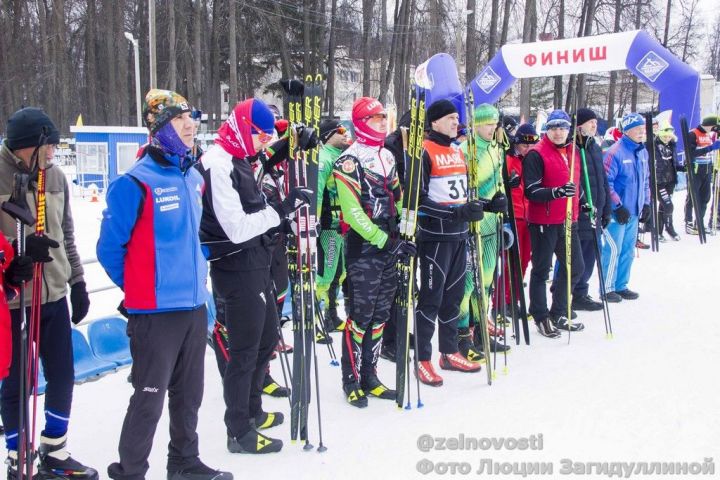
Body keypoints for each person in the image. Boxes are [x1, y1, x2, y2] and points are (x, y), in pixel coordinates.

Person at [98, 89, 232, 480]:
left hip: (193, 308)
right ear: (158, 128)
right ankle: (130, 471)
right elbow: (109, 249)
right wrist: (140, 287)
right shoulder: (135, 182)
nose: (190, 126)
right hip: (155, 314)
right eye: (179, 119)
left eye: (191, 118)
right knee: (149, 400)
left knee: (189, 396)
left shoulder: (192, 177)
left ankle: (184, 463)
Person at [198, 98, 312, 453]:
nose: (264, 143)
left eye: (266, 137)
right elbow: (235, 227)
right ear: (243, 129)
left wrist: (283, 220)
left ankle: (253, 410)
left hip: (257, 259)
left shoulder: (240, 158)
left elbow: (257, 205)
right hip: (235, 264)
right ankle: (238, 430)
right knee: (244, 351)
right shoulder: (218, 165)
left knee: (266, 341)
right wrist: (281, 210)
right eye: (260, 136)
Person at [0, 107, 95, 479]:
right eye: (49, 147)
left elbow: (66, 234)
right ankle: (16, 455)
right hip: (13, 299)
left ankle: (54, 448)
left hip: (52, 292)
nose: (54, 154)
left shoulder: (55, 177)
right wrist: (15, 257)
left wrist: (78, 282)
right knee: (16, 381)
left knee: (62, 374)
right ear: (27, 147)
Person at [333, 97, 413, 408]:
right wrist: (386, 240)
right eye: (375, 117)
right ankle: (350, 379)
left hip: (389, 244)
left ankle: (370, 374)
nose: (382, 122)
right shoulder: (348, 161)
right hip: (364, 247)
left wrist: (408, 228)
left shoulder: (387, 157)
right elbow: (353, 214)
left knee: (381, 315)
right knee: (361, 316)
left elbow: (399, 197)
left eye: (384, 117)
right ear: (361, 122)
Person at [413, 100, 484, 387]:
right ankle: (422, 358)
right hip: (436, 237)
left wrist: (486, 205)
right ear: (435, 122)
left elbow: (461, 194)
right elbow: (418, 201)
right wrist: (455, 213)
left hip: (459, 235)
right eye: (451, 118)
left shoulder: (457, 150)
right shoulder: (423, 151)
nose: (457, 123)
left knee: (454, 298)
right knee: (431, 299)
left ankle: (449, 351)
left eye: (457, 118)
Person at [522, 109, 585, 338]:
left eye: (562, 128)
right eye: (553, 128)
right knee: (541, 269)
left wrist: (583, 200)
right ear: (547, 130)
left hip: (569, 220)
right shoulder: (536, 154)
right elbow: (531, 191)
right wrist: (557, 192)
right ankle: (540, 316)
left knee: (575, 267)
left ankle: (558, 311)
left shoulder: (573, 152)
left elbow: (577, 184)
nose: (558, 133)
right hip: (543, 221)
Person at [458, 104, 510, 358]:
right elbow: (461, 191)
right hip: (472, 226)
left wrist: (502, 202)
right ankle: (462, 338)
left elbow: (498, 182)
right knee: (468, 285)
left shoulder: (495, 149)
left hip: (491, 225)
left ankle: (481, 332)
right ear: (476, 124)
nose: (493, 127)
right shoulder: (465, 150)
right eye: (488, 123)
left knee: (486, 282)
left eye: (495, 123)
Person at [601, 113, 650, 303]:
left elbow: (645, 181)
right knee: (613, 249)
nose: (641, 132)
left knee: (628, 250)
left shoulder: (642, 152)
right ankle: (607, 287)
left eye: (642, 129)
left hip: (634, 211)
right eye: (637, 129)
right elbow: (607, 183)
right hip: (618, 213)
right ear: (627, 131)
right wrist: (617, 206)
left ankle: (621, 285)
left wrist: (645, 203)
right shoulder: (615, 152)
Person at [570, 108, 612, 311]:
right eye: (590, 122)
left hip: (597, 209)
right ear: (579, 126)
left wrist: (606, 208)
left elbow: (603, 179)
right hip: (581, 212)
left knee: (590, 255)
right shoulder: (572, 149)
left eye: (595, 122)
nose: (594, 125)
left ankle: (581, 292)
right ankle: (568, 292)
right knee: (576, 257)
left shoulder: (594, 146)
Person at [316, 119, 350, 335]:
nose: (345, 133)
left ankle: (331, 315)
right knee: (326, 274)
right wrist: (315, 220)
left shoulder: (342, 156)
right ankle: (317, 321)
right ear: (329, 135)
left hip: (344, 225)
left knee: (340, 272)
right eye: (340, 130)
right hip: (329, 224)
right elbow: (318, 191)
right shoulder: (324, 157)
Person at [499, 124, 537, 313]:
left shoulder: (534, 159)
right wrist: (507, 184)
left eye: (531, 145)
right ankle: (501, 302)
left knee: (524, 260)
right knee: (508, 260)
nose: (527, 149)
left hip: (530, 215)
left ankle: (514, 298)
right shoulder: (507, 159)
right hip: (512, 214)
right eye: (524, 145)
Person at [684, 115, 720, 234]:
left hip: (706, 170)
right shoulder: (693, 134)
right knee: (692, 197)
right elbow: (691, 153)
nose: (715, 131)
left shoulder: (708, 135)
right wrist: (710, 148)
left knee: (705, 198)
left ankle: (699, 222)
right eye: (715, 128)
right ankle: (688, 222)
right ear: (710, 125)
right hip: (695, 170)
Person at [654, 119, 681, 241]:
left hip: (670, 181)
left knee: (663, 206)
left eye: (669, 137)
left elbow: (674, 163)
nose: (667, 139)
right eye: (664, 136)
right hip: (658, 182)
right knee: (669, 206)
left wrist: (683, 167)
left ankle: (659, 232)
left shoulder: (672, 146)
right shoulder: (653, 145)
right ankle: (670, 228)